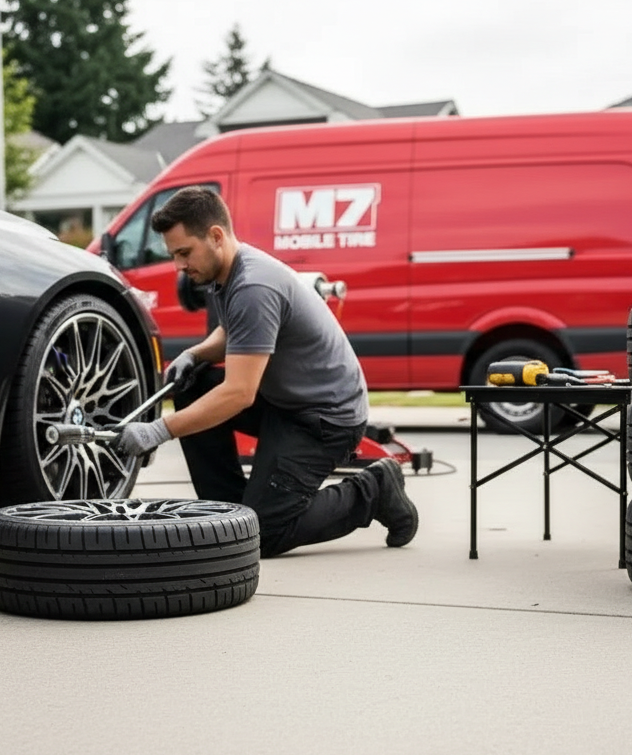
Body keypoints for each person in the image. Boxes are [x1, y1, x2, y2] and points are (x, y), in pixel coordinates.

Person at [113, 186, 418, 557]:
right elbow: (232, 330)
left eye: (184, 252)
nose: (178, 265)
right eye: (174, 254)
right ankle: (228, 515)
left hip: (325, 421)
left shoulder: (253, 285)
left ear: (216, 236)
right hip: (286, 404)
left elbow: (239, 394)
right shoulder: (227, 273)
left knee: (266, 534)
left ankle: (375, 490)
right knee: (193, 385)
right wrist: (195, 354)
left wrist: (159, 430)